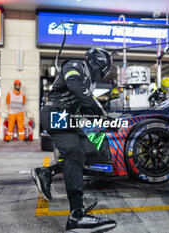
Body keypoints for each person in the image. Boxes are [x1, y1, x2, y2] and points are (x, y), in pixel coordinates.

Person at [31, 48, 117, 232]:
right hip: (55, 113)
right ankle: (76, 216)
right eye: (104, 69)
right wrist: (102, 114)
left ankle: (46, 173)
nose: (103, 73)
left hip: (69, 116)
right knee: (74, 153)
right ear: (99, 63)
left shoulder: (90, 82)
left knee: (95, 150)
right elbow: (76, 88)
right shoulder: (74, 65)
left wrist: (106, 121)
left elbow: (84, 108)